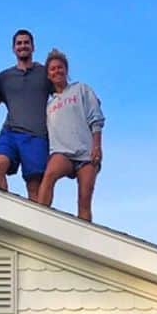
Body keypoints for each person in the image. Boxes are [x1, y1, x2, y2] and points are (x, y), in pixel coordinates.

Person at [38, 49, 105, 222]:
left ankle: (83, 239)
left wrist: (97, 145)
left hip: (85, 153)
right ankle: (38, 220)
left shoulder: (80, 89)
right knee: (49, 175)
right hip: (62, 152)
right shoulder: (49, 103)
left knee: (84, 198)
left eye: (60, 67)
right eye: (52, 69)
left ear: (66, 70)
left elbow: (95, 117)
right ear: (48, 75)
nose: (57, 71)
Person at [0, 29, 51, 201]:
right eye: (19, 43)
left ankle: (36, 224)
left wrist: (84, 100)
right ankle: (1, 213)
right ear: (13, 49)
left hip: (36, 134)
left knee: (34, 185)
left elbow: (63, 92)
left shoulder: (44, 73)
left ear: (33, 47)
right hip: (10, 132)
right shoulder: (4, 77)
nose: (23, 46)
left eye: (26, 43)